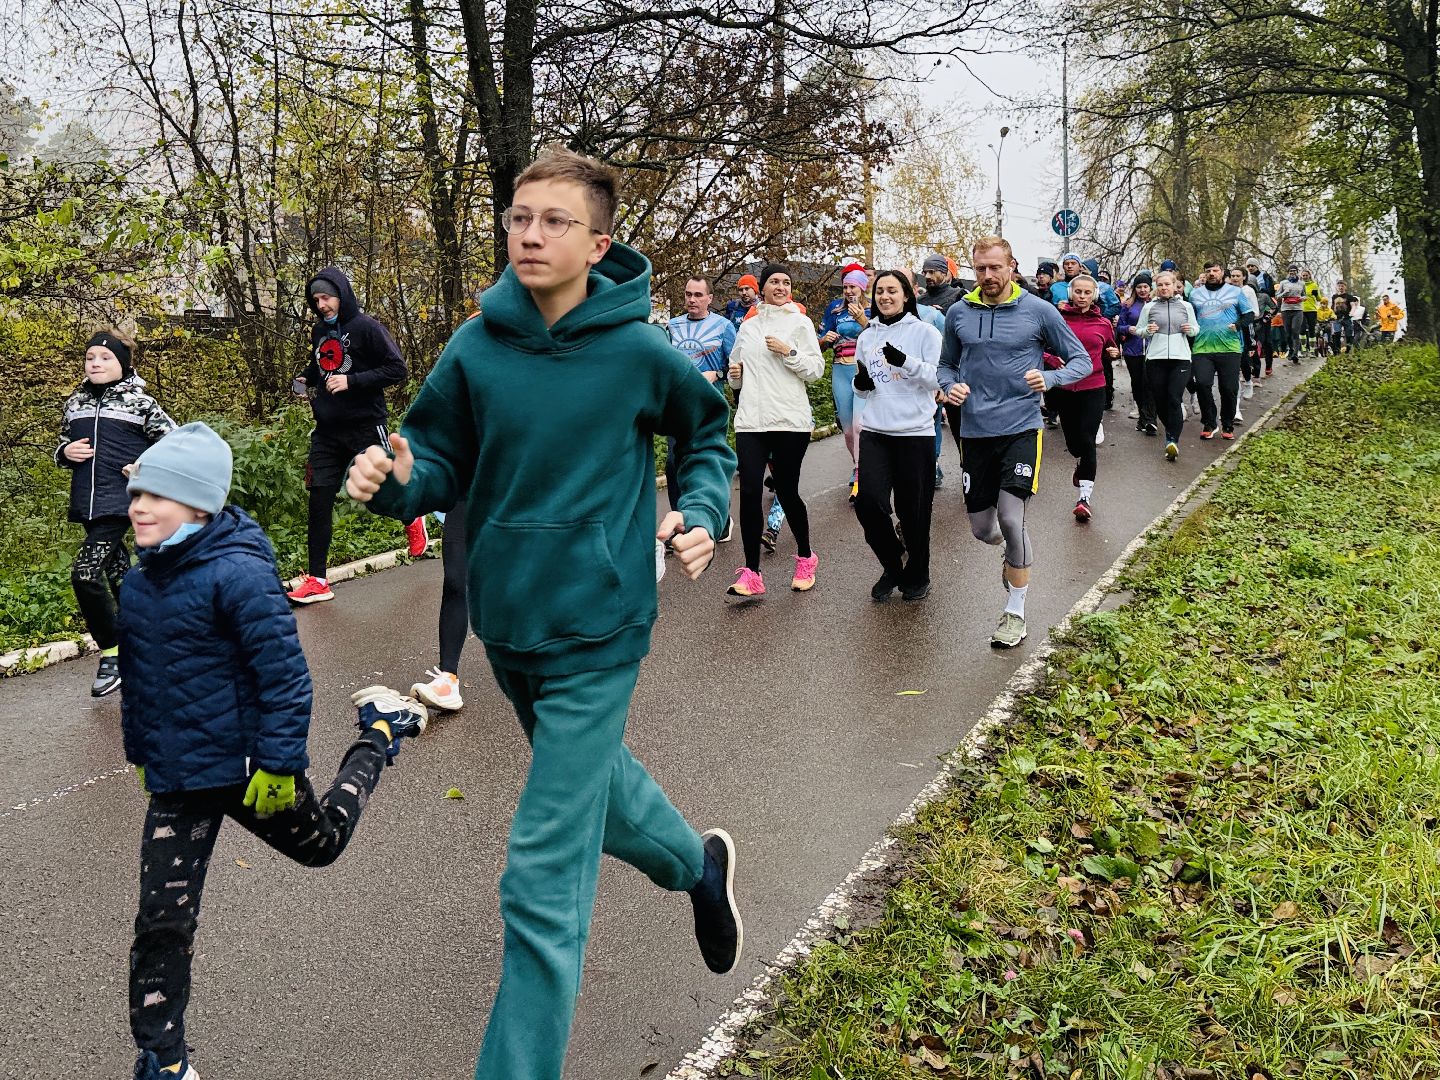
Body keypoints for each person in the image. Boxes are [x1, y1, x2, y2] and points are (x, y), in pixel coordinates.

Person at [345, 148, 742, 1080]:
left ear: (597, 243)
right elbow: (437, 459)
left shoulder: (639, 351)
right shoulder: (477, 346)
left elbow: (705, 435)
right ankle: (698, 868)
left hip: (600, 628)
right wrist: (397, 481)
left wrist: (702, 510)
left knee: (541, 874)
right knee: (600, 791)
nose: (529, 234)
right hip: (508, 621)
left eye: (554, 220)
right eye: (519, 217)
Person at [120, 422, 428, 1080]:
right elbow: (143, 683)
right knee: (162, 921)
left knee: (324, 845)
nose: (139, 507)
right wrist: (143, 752)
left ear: (198, 506)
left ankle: (379, 732)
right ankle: (163, 1060)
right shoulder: (140, 584)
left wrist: (280, 764)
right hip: (178, 777)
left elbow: (285, 678)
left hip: (247, 768)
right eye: (137, 494)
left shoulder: (238, 574)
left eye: (157, 495)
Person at [938, 236, 1092, 649]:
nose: (988, 275)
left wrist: (1051, 377)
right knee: (982, 529)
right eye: (980, 269)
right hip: (975, 431)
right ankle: (1012, 552)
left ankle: (1015, 611)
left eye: (995, 267)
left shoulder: (1038, 311)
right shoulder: (958, 313)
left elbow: (1081, 360)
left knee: (1011, 517)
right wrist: (950, 386)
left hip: (1022, 427)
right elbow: (946, 365)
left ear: (1011, 266)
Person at [288, 266, 424, 604]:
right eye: (316, 300)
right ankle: (318, 580)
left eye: (326, 298)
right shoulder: (319, 331)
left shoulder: (367, 328)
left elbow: (397, 369)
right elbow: (321, 365)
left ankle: (412, 516)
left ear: (341, 295)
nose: (321, 305)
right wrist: (306, 379)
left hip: (365, 424)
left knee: (384, 488)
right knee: (319, 499)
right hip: (327, 431)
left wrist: (352, 381)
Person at [54, 330, 175, 697]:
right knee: (121, 577)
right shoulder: (74, 403)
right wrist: (64, 453)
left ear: (123, 363)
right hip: (87, 504)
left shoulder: (141, 403)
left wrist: (143, 467)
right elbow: (63, 444)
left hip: (121, 501)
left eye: (105, 358)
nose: (95, 363)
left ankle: (112, 655)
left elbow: (175, 443)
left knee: (85, 574)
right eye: (90, 357)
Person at [727, 262, 826, 595]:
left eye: (786, 282)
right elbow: (736, 374)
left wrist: (789, 352)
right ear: (762, 288)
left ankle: (806, 557)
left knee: (785, 490)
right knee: (749, 492)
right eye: (774, 282)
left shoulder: (800, 323)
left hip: (789, 420)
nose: (781, 287)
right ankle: (752, 573)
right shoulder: (748, 327)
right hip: (751, 421)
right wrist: (736, 376)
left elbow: (815, 370)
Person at [851, 270, 942, 600]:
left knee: (913, 511)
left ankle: (918, 575)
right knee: (868, 503)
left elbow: (937, 378)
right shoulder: (867, 337)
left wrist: (905, 362)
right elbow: (862, 387)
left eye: (892, 290)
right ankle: (893, 562)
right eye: (879, 291)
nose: (885, 296)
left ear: (906, 295)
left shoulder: (925, 332)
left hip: (915, 433)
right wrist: (860, 384)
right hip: (876, 431)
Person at [667, 276, 736, 539]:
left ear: (710, 298)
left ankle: (721, 519)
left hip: (709, 407)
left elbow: (736, 365)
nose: (692, 300)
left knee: (711, 463)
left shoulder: (724, 326)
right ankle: (681, 523)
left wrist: (717, 374)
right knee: (674, 464)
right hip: (678, 406)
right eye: (688, 294)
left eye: (698, 295)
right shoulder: (672, 326)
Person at [1054, 276, 1119, 522]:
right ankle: (1080, 461)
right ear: (1071, 293)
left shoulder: (1103, 323)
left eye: (1087, 292)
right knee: (1074, 444)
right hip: (1065, 386)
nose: (1082, 296)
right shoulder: (1058, 320)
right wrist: (1052, 360)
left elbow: (1111, 348)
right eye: (1078, 291)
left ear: (1094, 295)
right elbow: (1044, 348)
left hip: (1093, 386)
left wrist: (1114, 353)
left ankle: (1084, 498)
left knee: (1087, 440)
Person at [819, 267, 872, 493]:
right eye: (846, 287)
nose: (849, 291)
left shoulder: (873, 309)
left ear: (862, 288)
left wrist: (862, 319)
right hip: (840, 370)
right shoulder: (835, 309)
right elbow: (818, 344)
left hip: (862, 371)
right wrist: (824, 339)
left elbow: (880, 337)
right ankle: (856, 462)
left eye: (853, 287)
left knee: (860, 426)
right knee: (849, 430)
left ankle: (861, 470)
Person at [1189, 261, 1255, 440]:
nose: (1211, 273)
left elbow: (1249, 314)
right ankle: (1209, 423)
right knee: (1202, 384)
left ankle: (1227, 423)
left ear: (1222, 272)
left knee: (1229, 388)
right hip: (1202, 347)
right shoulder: (1195, 294)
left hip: (1230, 347)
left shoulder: (1235, 292)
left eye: (1215, 270)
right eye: (1208, 271)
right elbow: (1189, 317)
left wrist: (1238, 325)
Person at [1138, 270, 1198, 461]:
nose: (1164, 288)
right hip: (1156, 358)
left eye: (1167, 284)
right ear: (1156, 287)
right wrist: (1147, 330)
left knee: (1174, 397)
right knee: (1160, 400)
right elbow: (1139, 330)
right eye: (1160, 285)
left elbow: (1196, 328)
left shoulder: (1186, 306)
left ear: (1174, 286)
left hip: (1181, 358)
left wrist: (1190, 329)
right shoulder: (1149, 307)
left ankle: (1172, 440)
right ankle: (1171, 431)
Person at [1117, 273, 1156, 434]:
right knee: (1138, 384)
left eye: (1145, 286)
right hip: (1133, 350)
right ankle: (1143, 416)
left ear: (1150, 288)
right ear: (1135, 289)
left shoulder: (1157, 304)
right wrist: (1129, 329)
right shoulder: (1128, 305)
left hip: (1153, 350)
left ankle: (1150, 420)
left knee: (1150, 384)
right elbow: (1119, 327)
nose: (1142, 290)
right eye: (1139, 287)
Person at [1228, 266, 1262, 402]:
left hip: (1246, 327)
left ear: (1244, 277)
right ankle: (1235, 391)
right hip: (1230, 327)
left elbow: (1255, 311)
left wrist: (1243, 319)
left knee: (1244, 359)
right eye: (1233, 276)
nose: (1235, 278)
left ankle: (1248, 381)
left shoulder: (1248, 290)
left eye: (1238, 276)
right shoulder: (1227, 291)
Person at [1275, 264, 1306, 364]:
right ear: (1288, 272)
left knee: (1295, 330)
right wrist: (1284, 293)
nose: (1292, 272)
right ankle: (1291, 350)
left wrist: (1303, 298)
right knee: (1288, 333)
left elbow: (1304, 295)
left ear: (1297, 272)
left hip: (1298, 309)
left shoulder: (1302, 283)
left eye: (1294, 270)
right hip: (1286, 309)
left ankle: (1296, 353)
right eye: (1290, 271)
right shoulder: (1283, 283)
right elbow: (1277, 296)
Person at [1330, 280, 1360, 353]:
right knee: (1337, 333)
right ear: (1337, 287)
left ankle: (1348, 350)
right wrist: (1331, 314)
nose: (1341, 288)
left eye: (1342, 286)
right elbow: (1332, 306)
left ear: (1345, 287)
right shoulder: (1334, 296)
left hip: (1347, 317)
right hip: (1337, 318)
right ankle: (1337, 350)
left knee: (1348, 334)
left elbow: (1353, 305)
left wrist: (1351, 313)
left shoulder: (1349, 296)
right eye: (1339, 286)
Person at [1300, 268, 1322, 352]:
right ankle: (1303, 349)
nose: (1305, 277)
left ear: (1309, 276)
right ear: (1301, 276)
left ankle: (1312, 349)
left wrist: (1316, 295)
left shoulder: (1314, 285)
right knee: (1302, 329)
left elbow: (1319, 299)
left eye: (1306, 275)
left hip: (1312, 310)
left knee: (1311, 329)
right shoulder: (1299, 285)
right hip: (1301, 310)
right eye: (1303, 275)